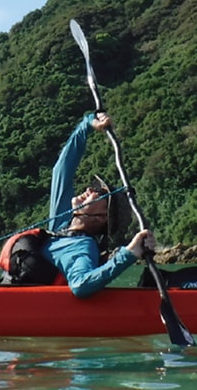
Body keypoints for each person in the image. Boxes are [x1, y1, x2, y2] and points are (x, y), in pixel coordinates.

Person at [39, 111, 155, 297]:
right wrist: (87, 125)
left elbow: (80, 286)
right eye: (95, 187)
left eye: (99, 194)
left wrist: (130, 254)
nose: (90, 189)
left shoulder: (83, 247)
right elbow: (61, 170)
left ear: (102, 217)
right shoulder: (61, 223)